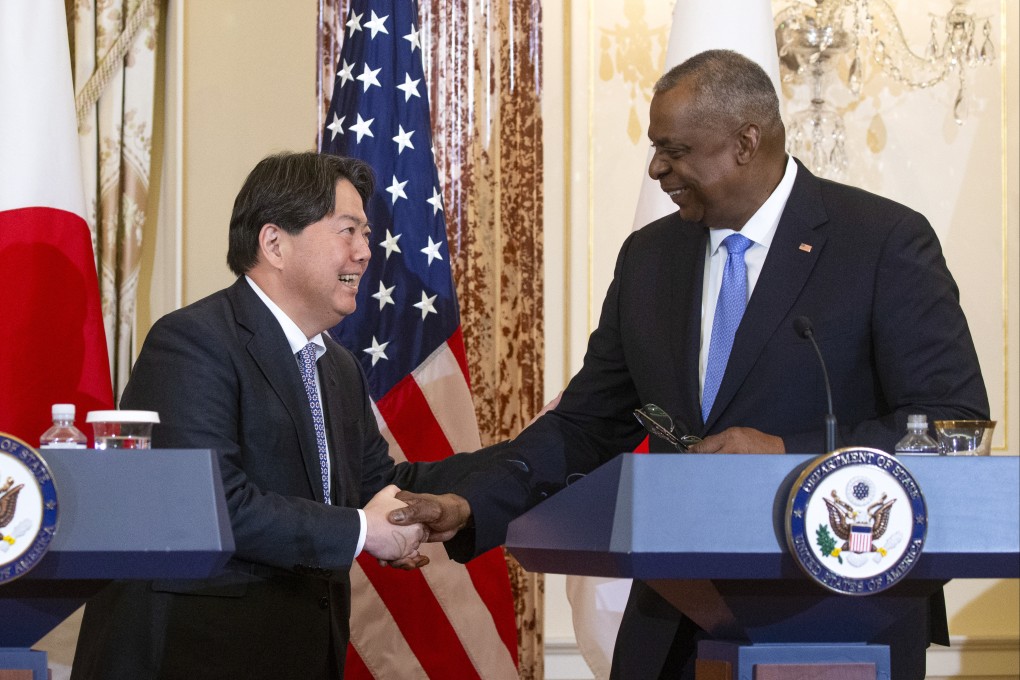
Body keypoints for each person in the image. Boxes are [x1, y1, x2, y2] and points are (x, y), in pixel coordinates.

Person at [388, 50, 990, 680]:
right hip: (675, 614)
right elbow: (586, 425)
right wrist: (469, 500)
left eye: (673, 151)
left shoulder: (879, 240)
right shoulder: (650, 258)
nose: (656, 169)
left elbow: (952, 426)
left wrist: (789, 451)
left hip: (837, 612)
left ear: (745, 142)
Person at [71, 152, 457, 680]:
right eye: (348, 231)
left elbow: (381, 487)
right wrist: (363, 532)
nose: (366, 252)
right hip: (191, 657)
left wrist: (489, 481)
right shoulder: (193, 341)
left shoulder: (337, 367)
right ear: (274, 243)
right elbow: (212, 504)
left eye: (366, 234)